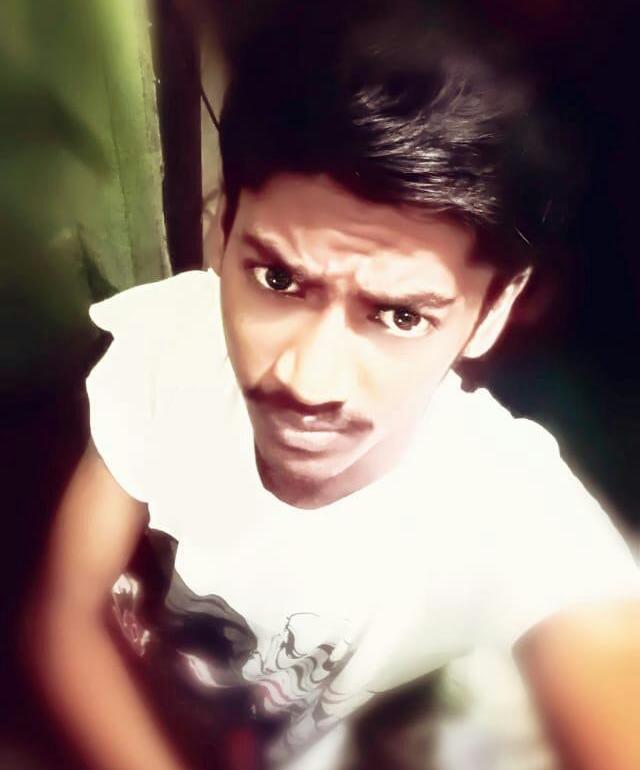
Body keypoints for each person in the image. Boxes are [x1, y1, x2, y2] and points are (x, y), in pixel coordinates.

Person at [24, 2, 640, 769]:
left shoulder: (515, 513)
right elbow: (63, 616)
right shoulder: (172, 340)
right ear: (221, 229)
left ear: (493, 311)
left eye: (400, 316)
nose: (305, 381)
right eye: (278, 279)